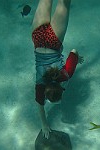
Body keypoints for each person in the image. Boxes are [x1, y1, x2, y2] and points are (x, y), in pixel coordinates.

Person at [31, 0, 84, 139]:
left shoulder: (65, 76)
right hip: (37, 37)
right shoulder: (40, 85)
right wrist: (44, 124)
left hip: (54, 39)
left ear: (61, 88)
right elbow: (40, 105)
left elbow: (74, 50)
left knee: (64, 3)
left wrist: (78, 58)